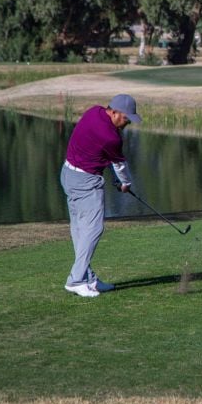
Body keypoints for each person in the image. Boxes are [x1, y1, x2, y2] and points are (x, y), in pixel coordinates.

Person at [60, 94, 142, 298]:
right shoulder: (112, 137)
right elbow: (120, 165)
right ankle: (76, 280)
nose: (127, 123)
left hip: (68, 175)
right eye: (126, 118)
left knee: (80, 229)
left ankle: (88, 278)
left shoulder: (93, 112)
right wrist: (125, 183)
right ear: (114, 112)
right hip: (86, 182)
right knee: (93, 228)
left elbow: (98, 151)